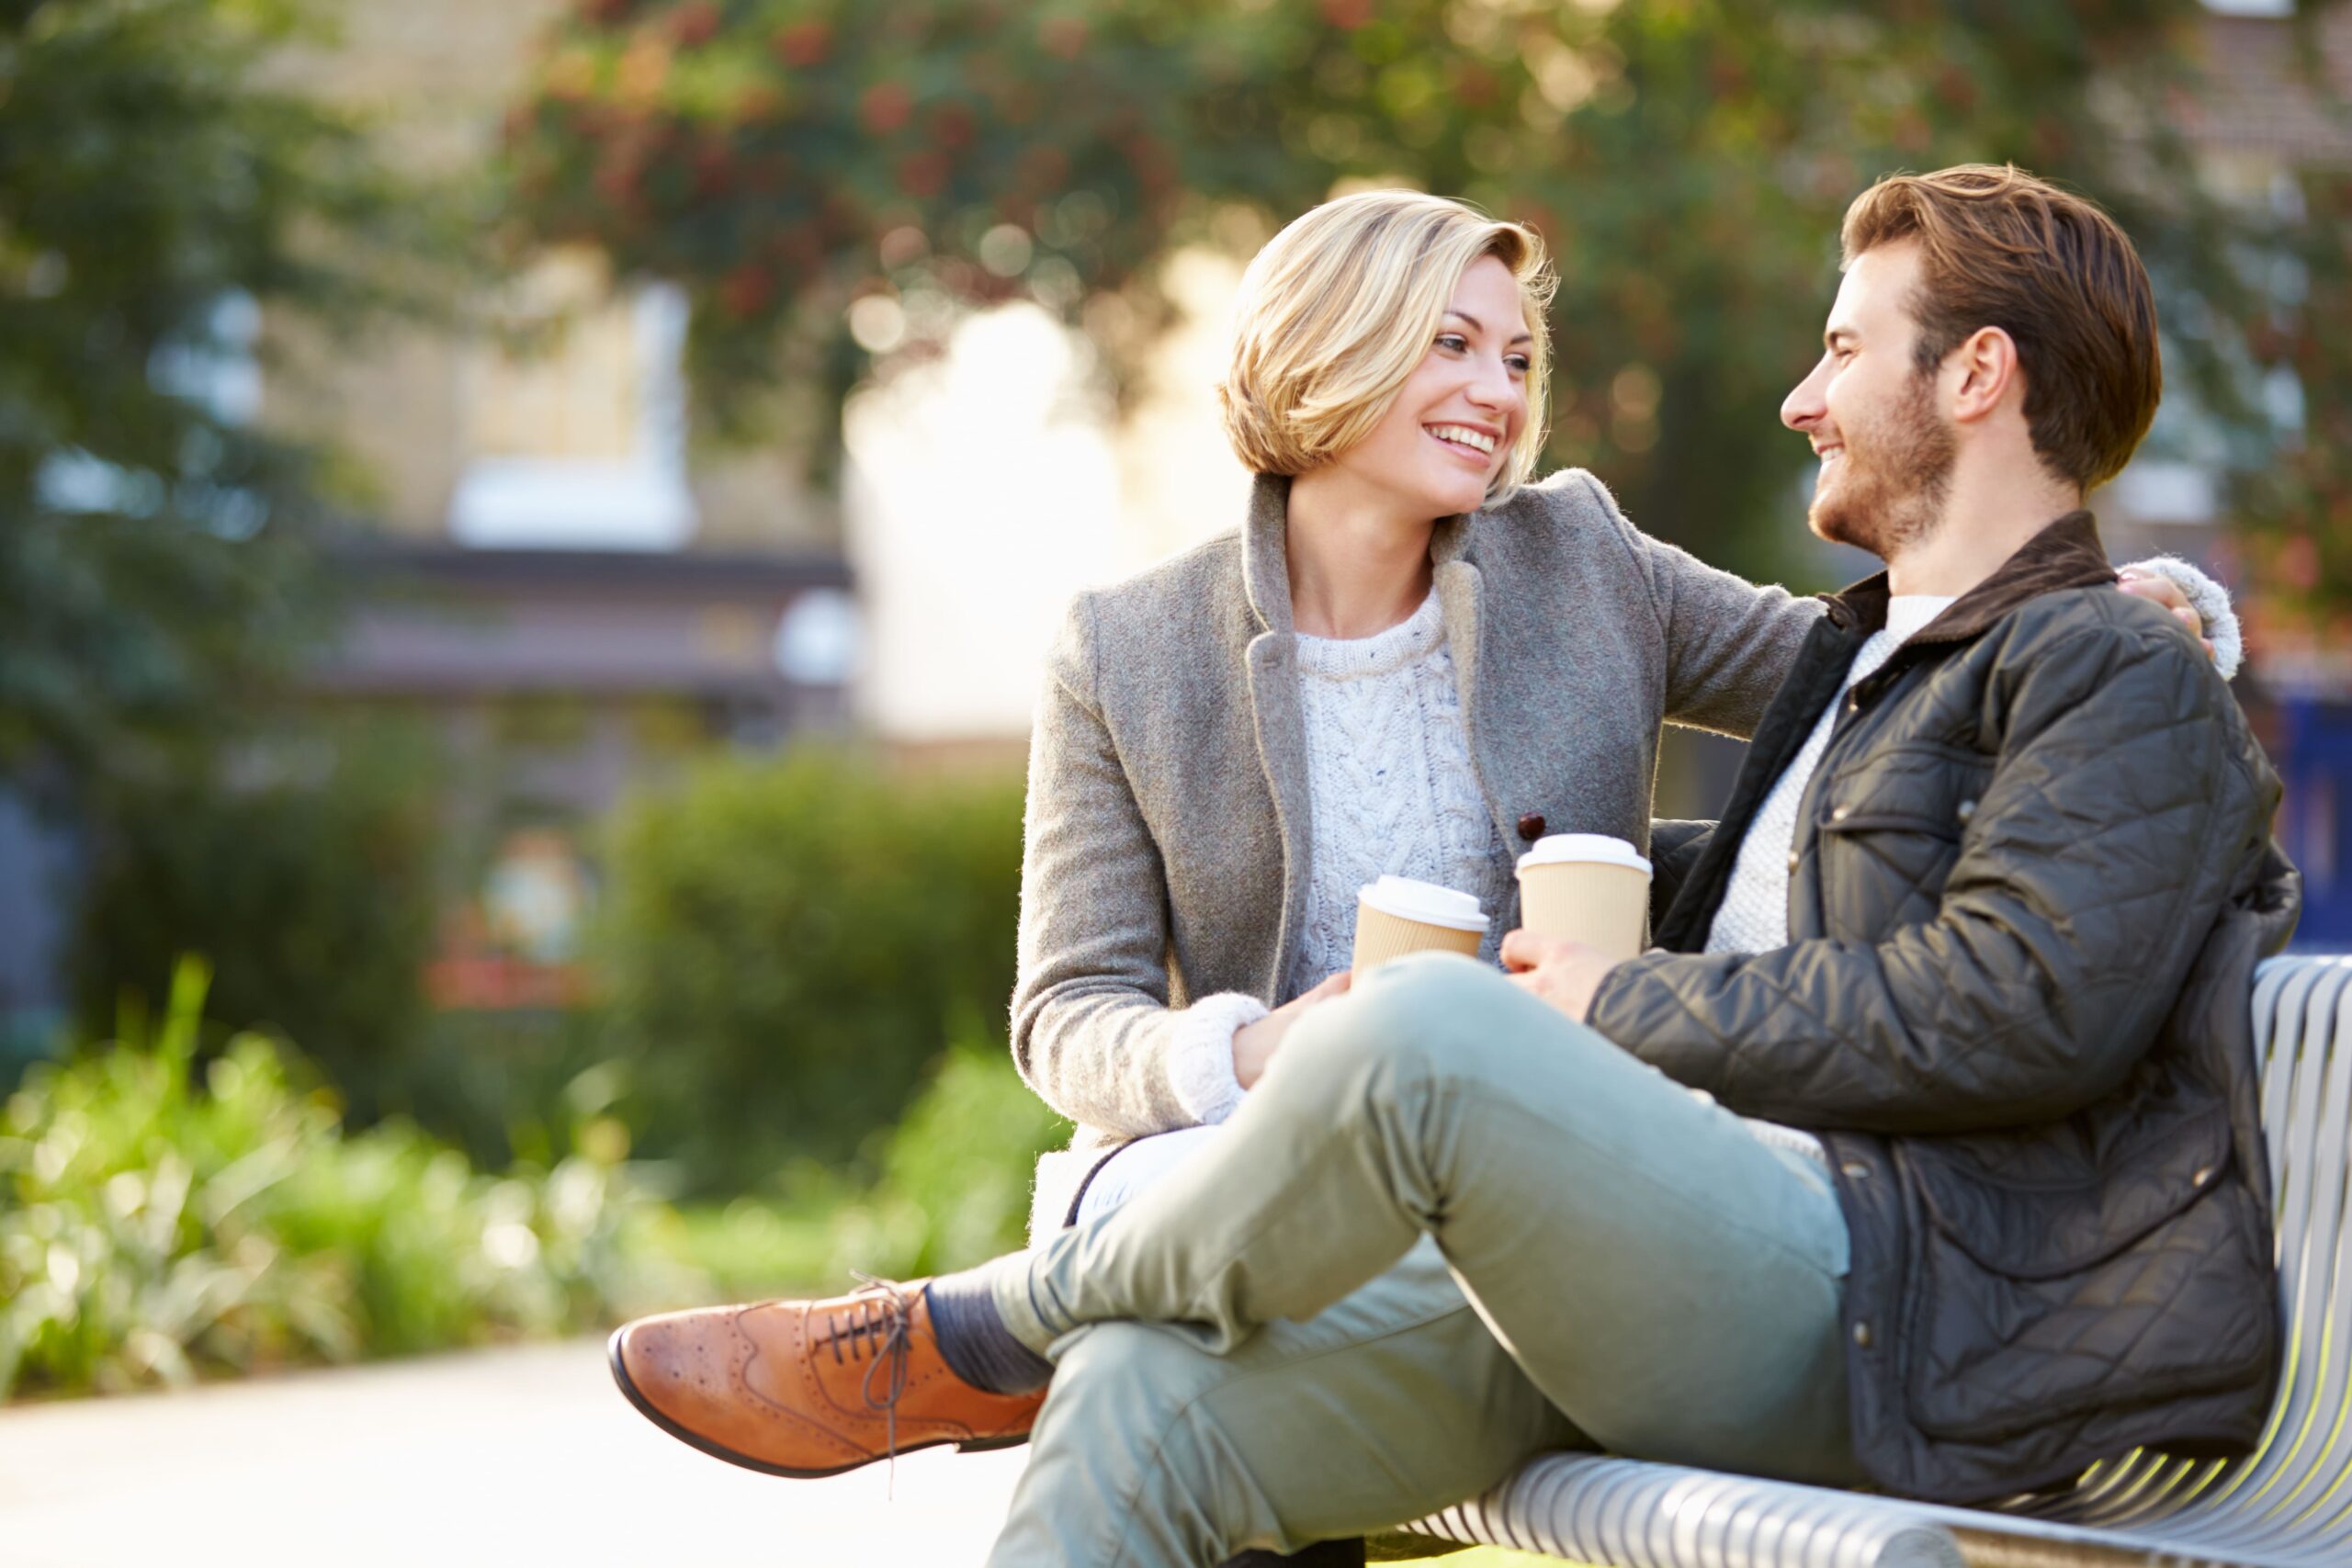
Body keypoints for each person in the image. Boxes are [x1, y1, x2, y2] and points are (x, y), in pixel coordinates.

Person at [605, 166, 2285, 1566]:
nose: (1798, 395)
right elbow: (1074, 1005)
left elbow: (2013, 973)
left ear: (1975, 376)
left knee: (1425, 1022)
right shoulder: (1136, 646)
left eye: (1841, 349)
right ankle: (1061, 1335)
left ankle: (971, 1337)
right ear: (1333, 349)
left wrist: (2128, 612)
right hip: (1555, 1243)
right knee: (1136, 1400)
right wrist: (1268, 1043)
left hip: (1869, 1300)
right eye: (1450, 344)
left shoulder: (1761, 603)